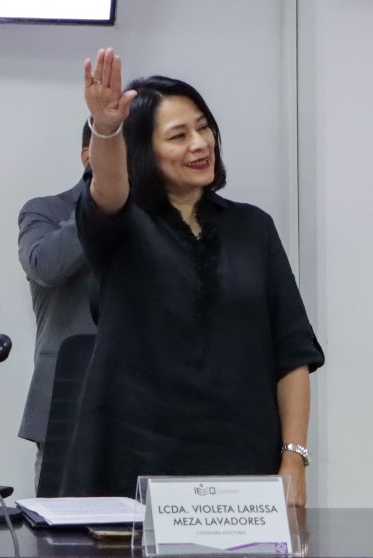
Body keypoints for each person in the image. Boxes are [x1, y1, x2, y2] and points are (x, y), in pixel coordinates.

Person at [60, 48, 323, 506]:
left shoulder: (253, 227)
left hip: (244, 469)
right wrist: (107, 128)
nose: (200, 144)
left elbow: (292, 354)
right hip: (132, 468)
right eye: (179, 136)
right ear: (144, 151)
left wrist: (293, 459)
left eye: (204, 128)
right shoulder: (122, 224)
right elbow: (107, 189)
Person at [16, 122, 98, 491]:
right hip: (67, 410)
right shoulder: (45, 211)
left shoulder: (162, 217)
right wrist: (101, 202)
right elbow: (46, 266)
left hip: (149, 412)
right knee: (60, 528)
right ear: (88, 158)